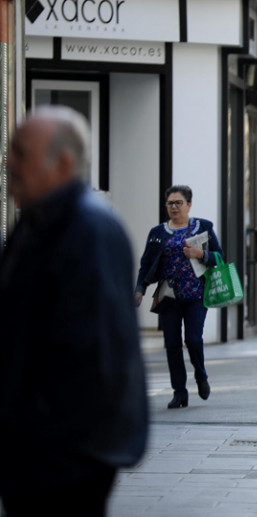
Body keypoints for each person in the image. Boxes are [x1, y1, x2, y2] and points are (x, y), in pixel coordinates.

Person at [0, 106, 148, 515]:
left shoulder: (87, 228)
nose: (9, 162)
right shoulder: (41, 220)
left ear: (63, 162)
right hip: (41, 446)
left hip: (63, 453)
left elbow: (92, 352)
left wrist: (40, 434)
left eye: (21, 152)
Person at [135, 185, 224, 409]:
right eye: (170, 203)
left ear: (189, 205)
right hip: (169, 297)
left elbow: (220, 258)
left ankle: (201, 375)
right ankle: (179, 392)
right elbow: (146, 263)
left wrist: (201, 254)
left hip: (195, 295)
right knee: (172, 344)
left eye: (179, 203)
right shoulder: (157, 233)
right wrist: (140, 289)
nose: (174, 207)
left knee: (193, 339)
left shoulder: (202, 227)